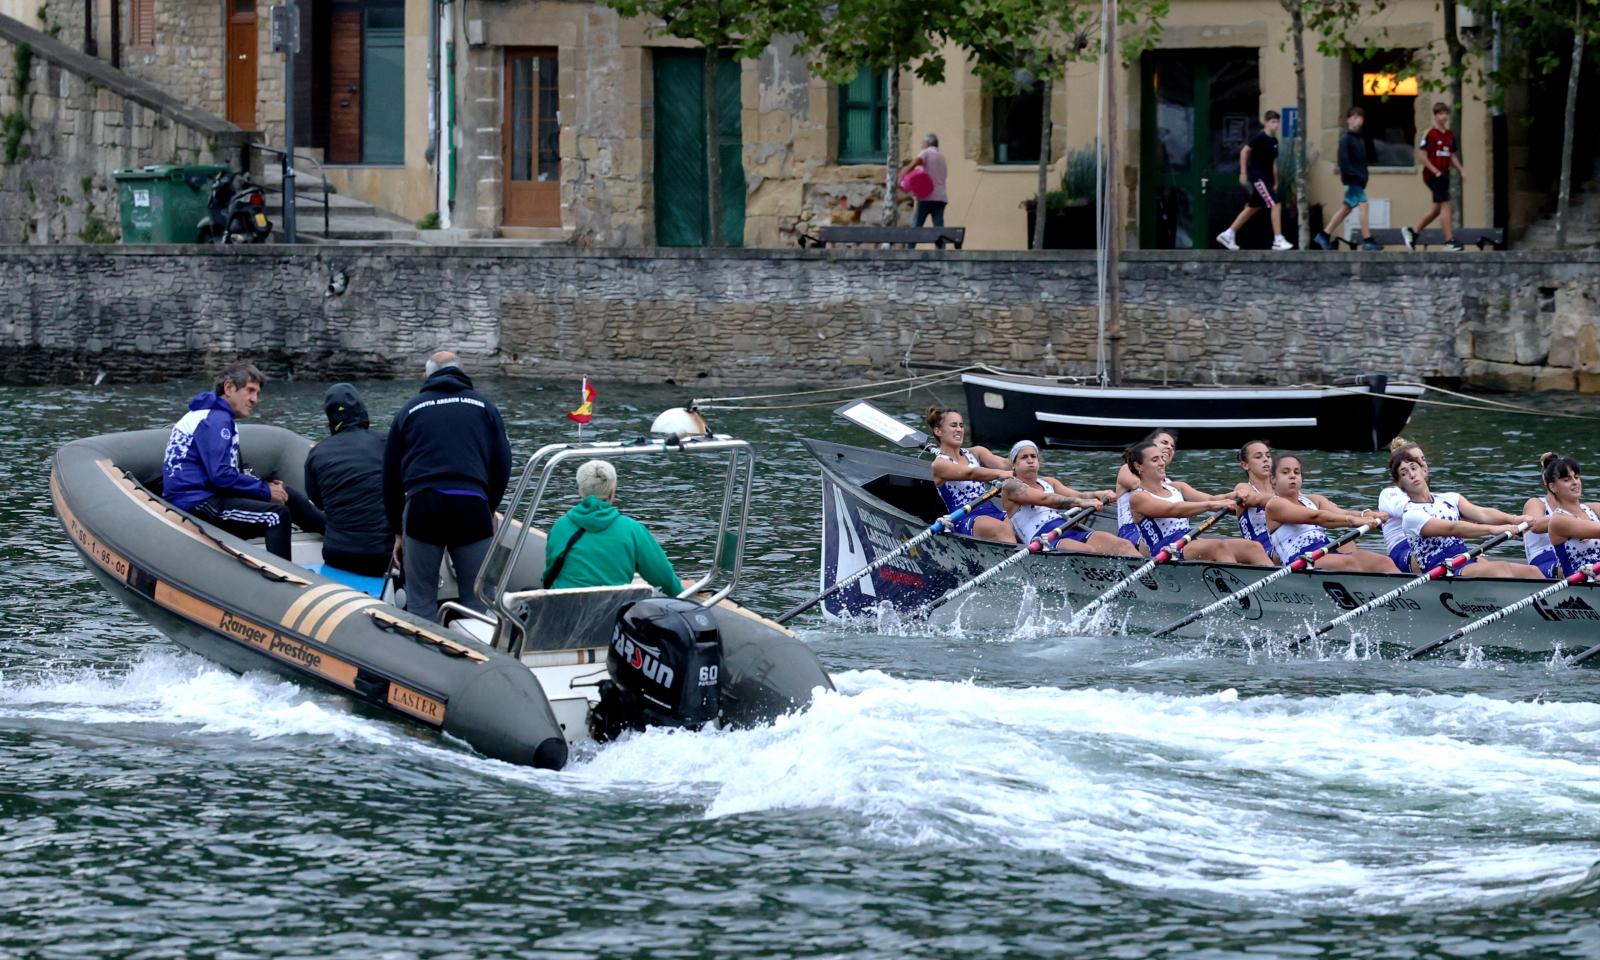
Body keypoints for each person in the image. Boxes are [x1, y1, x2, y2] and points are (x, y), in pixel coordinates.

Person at [383, 351, 513, 622]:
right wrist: (489, 508)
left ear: (426, 376)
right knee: (477, 602)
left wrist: (397, 530)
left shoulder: (410, 410)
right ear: (462, 373)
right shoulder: (484, 407)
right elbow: (502, 464)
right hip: (470, 504)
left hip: (423, 506)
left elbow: (390, 477)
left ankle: (423, 657)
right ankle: (476, 656)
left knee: (421, 603)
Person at [163, 361, 323, 560]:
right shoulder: (215, 420)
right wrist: (264, 491)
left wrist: (262, 486)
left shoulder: (213, 414)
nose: (255, 399)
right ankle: (283, 582)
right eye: (250, 391)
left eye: (257, 393)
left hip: (206, 494)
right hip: (196, 502)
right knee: (276, 516)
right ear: (229, 388)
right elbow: (220, 476)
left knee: (286, 495)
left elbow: (222, 473)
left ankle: (332, 533)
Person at [1389, 445, 1541, 578]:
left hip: (1464, 559)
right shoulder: (1411, 515)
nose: (1412, 475)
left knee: (1532, 571)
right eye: (1404, 473)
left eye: (1413, 468)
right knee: (1502, 569)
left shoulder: (1450, 498)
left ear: (1423, 470)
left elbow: (1482, 513)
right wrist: (1494, 529)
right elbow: (1453, 528)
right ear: (1399, 483)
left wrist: (1514, 520)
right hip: (1442, 569)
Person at [542, 460, 684, 596]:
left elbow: (549, 574)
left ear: (581, 490)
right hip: (610, 613)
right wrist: (682, 597)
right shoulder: (632, 530)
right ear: (612, 491)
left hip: (561, 613)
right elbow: (663, 579)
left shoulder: (560, 526)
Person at [1123, 441, 1271, 564]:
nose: (1162, 463)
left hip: (1189, 540)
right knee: (1217, 547)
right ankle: (1239, 594)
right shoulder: (1138, 497)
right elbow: (1174, 510)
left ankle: (1277, 590)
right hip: (1167, 549)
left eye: (1162, 458)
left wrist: (1235, 495)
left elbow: (1211, 499)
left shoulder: (1177, 487)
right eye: (1155, 460)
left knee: (1253, 547)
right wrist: (1210, 505)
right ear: (1139, 466)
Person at [304, 383, 390, 577]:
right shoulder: (385, 443)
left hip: (337, 554)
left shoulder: (317, 453)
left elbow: (317, 501)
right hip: (381, 555)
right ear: (361, 410)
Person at [1264, 452, 1398, 572]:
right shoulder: (1275, 504)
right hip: (1300, 561)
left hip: (1324, 553)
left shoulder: (1314, 500)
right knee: (1351, 563)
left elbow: (1342, 513)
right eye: (1285, 472)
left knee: (1382, 562)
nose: (1292, 476)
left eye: (1296, 472)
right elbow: (1316, 517)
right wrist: (1354, 521)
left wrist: (1369, 515)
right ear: (1273, 479)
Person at [1001, 441, 1139, 556]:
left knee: (1123, 545)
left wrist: (1099, 493)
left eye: (1033, 456)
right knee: (1088, 551)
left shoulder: (1049, 482)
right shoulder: (1010, 486)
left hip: (1066, 527)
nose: (1030, 460)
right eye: (1024, 457)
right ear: (1013, 464)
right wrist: (1081, 502)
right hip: (1043, 539)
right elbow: (1046, 499)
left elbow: (1079, 495)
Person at [927, 406, 1016, 543]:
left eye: (961, 425)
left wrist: (1023, 458)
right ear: (938, 431)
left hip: (991, 511)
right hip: (964, 518)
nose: (959, 429)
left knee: (1022, 522)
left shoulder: (976, 452)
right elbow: (971, 473)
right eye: (953, 425)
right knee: (1001, 529)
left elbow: (1004, 464)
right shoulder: (939, 465)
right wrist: (1001, 474)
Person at [1216, 111, 1292, 252]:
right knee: (1275, 204)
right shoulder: (1259, 137)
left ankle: (1228, 234)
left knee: (1253, 207)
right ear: (1267, 122)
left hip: (1267, 178)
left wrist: (1276, 182)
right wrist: (1243, 173)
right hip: (1258, 176)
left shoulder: (1274, 141)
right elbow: (1244, 152)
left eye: (1277, 122)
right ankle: (1278, 239)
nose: (1276, 125)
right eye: (1273, 122)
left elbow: (1273, 163)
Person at [1401, 102, 1466, 252]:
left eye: (1445, 113)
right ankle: (1449, 241)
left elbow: (1451, 155)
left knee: (1436, 209)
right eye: (1440, 114)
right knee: (1446, 204)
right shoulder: (1430, 134)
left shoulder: (1449, 135)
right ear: (1435, 116)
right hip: (1432, 175)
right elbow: (1422, 155)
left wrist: (1461, 170)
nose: (1443, 117)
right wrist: (1435, 171)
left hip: (1444, 175)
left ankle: (1413, 233)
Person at [1315, 107, 1382, 251]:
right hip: (1352, 181)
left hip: (1359, 180)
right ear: (1348, 119)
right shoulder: (1346, 139)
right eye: (1354, 117)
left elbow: (1364, 160)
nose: (1358, 120)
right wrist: (1354, 177)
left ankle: (1324, 235)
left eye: (1360, 117)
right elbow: (1343, 162)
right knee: (1364, 206)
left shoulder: (1361, 139)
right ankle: (1367, 240)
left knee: (1346, 209)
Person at [1525, 453, 1600, 577]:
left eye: (1576, 477)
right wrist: (1577, 523)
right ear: (1552, 486)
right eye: (1566, 480)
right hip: (1580, 580)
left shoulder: (1589, 509)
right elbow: (1536, 525)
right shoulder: (1558, 520)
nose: (1575, 482)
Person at [1114, 428, 1180, 555]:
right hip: (1132, 531)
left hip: (1165, 531)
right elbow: (1139, 484)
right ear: (1150, 445)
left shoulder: (1170, 482)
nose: (1170, 448)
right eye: (1164, 443)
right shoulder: (1127, 469)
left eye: (1173, 446)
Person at [1378, 437, 1425, 572]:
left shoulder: (1431, 495)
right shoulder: (1389, 494)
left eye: (1424, 459)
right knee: (1430, 554)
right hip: (1402, 549)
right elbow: (1413, 512)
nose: (1423, 464)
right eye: (1417, 462)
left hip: (1428, 542)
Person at [1232, 439, 1280, 562]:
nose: (1266, 459)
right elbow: (1249, 498)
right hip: (1262, 552)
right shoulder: (1244, 487)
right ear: (1245, 465)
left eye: (1268, 455)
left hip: (1287, 542)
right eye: (1258, 457)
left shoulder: (1281, 490)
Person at [904, 133, 950, 248]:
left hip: (927, 196)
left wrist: (903, 173)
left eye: (922, 143)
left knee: (917, 225)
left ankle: (909, 251)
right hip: (941, 198)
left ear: (928, 143)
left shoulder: (926, 152)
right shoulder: (941, 157)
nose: (921, 145)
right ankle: (941, 253)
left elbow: (916, 161)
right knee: (938, 227)